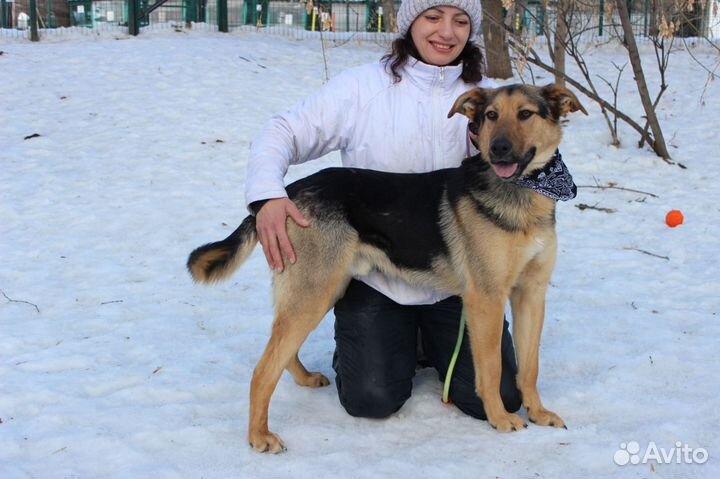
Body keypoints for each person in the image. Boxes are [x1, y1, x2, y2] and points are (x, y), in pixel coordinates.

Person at [245, 0, 522, 420]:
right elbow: (282, 130)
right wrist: (267, 195)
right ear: (409, 22)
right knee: (370, 398)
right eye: (433, 17)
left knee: (500, 396)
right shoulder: (361, 87)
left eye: (461, 21)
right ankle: (374, 340)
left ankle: (425, 340)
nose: (447, 32)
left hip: (456, 280)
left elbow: (530, 161)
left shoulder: (490, 98)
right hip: (378, 273)